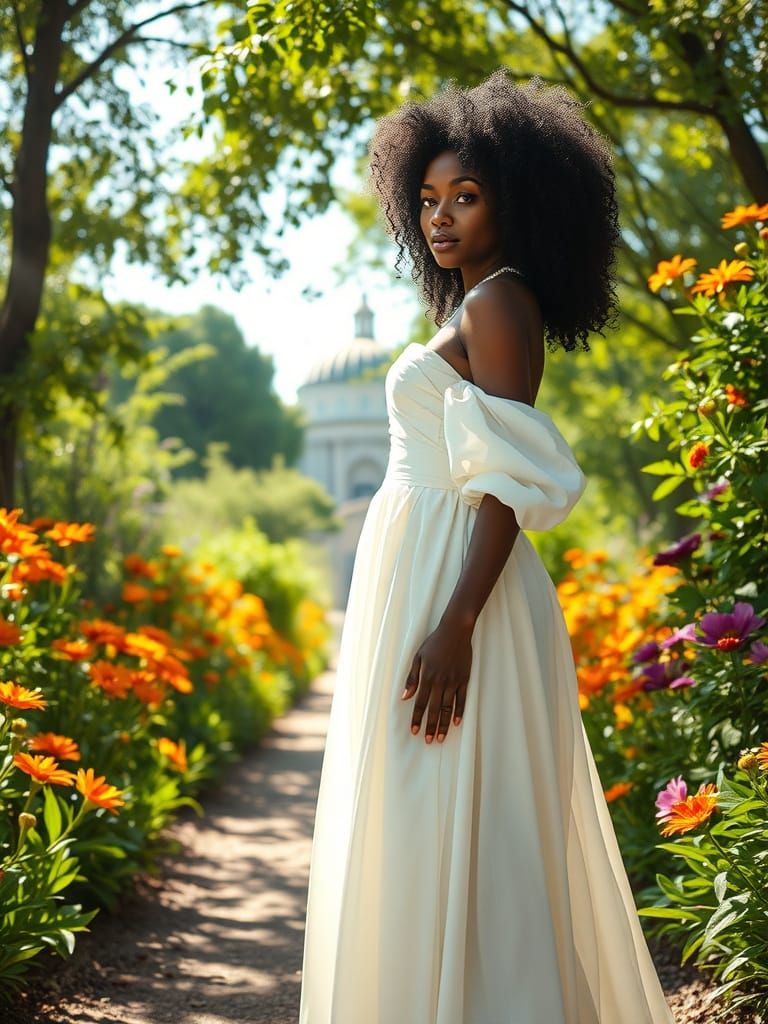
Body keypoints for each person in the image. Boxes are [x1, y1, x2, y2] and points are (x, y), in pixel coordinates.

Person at [298, 68, 674, 1023]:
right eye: (427, 199)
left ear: (519, 203)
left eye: (466, 197)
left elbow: (507, 481)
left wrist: (457, 622)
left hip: (460, 583)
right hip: (425, 570)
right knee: (425, 812)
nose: (441, 216)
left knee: (462, 813)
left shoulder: (502, 304)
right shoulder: (468, 305)